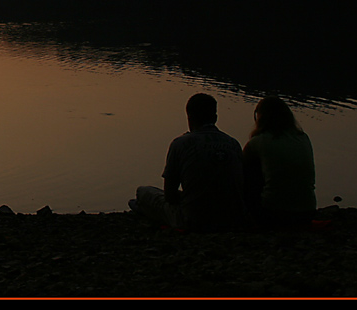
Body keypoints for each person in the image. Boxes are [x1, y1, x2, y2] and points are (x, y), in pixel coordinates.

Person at [131, 93, 246, 232]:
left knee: (143, 192)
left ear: (189, 118)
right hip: (233, 218)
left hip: (193, 220)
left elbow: (170, 196)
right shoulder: (233, 143)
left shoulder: (180, 144)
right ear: (215, 118)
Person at [242, 96, 316, 228]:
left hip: (274, 214)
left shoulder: (258, 142)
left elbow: (241, 173)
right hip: (307, 212)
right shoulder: (303, 137)